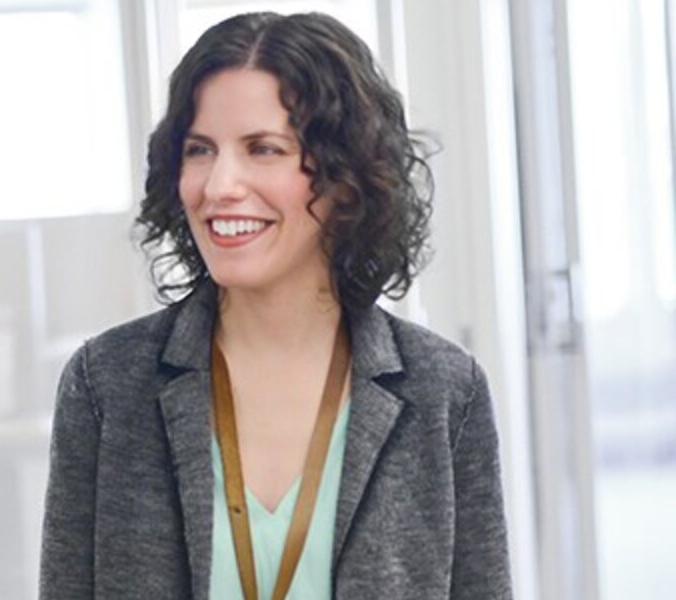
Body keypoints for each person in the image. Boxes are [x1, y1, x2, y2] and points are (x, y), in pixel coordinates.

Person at [40, 11, 511, 600]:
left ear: (345, 177)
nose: (219, 186)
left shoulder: (445, 391)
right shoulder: (105, 384)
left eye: (263, 149)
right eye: (200, 150)